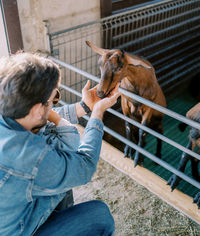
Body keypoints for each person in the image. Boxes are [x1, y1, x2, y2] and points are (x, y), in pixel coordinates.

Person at [0, 51, 121, 236]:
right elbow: (84, 166)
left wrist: (84, 107)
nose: (53, 105)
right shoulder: (30, 156)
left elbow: (44, 117)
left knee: (61, 187)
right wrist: (96, 114)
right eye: (52, 100)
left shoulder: (10, 110)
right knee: (99, 215)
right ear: (36, 109)